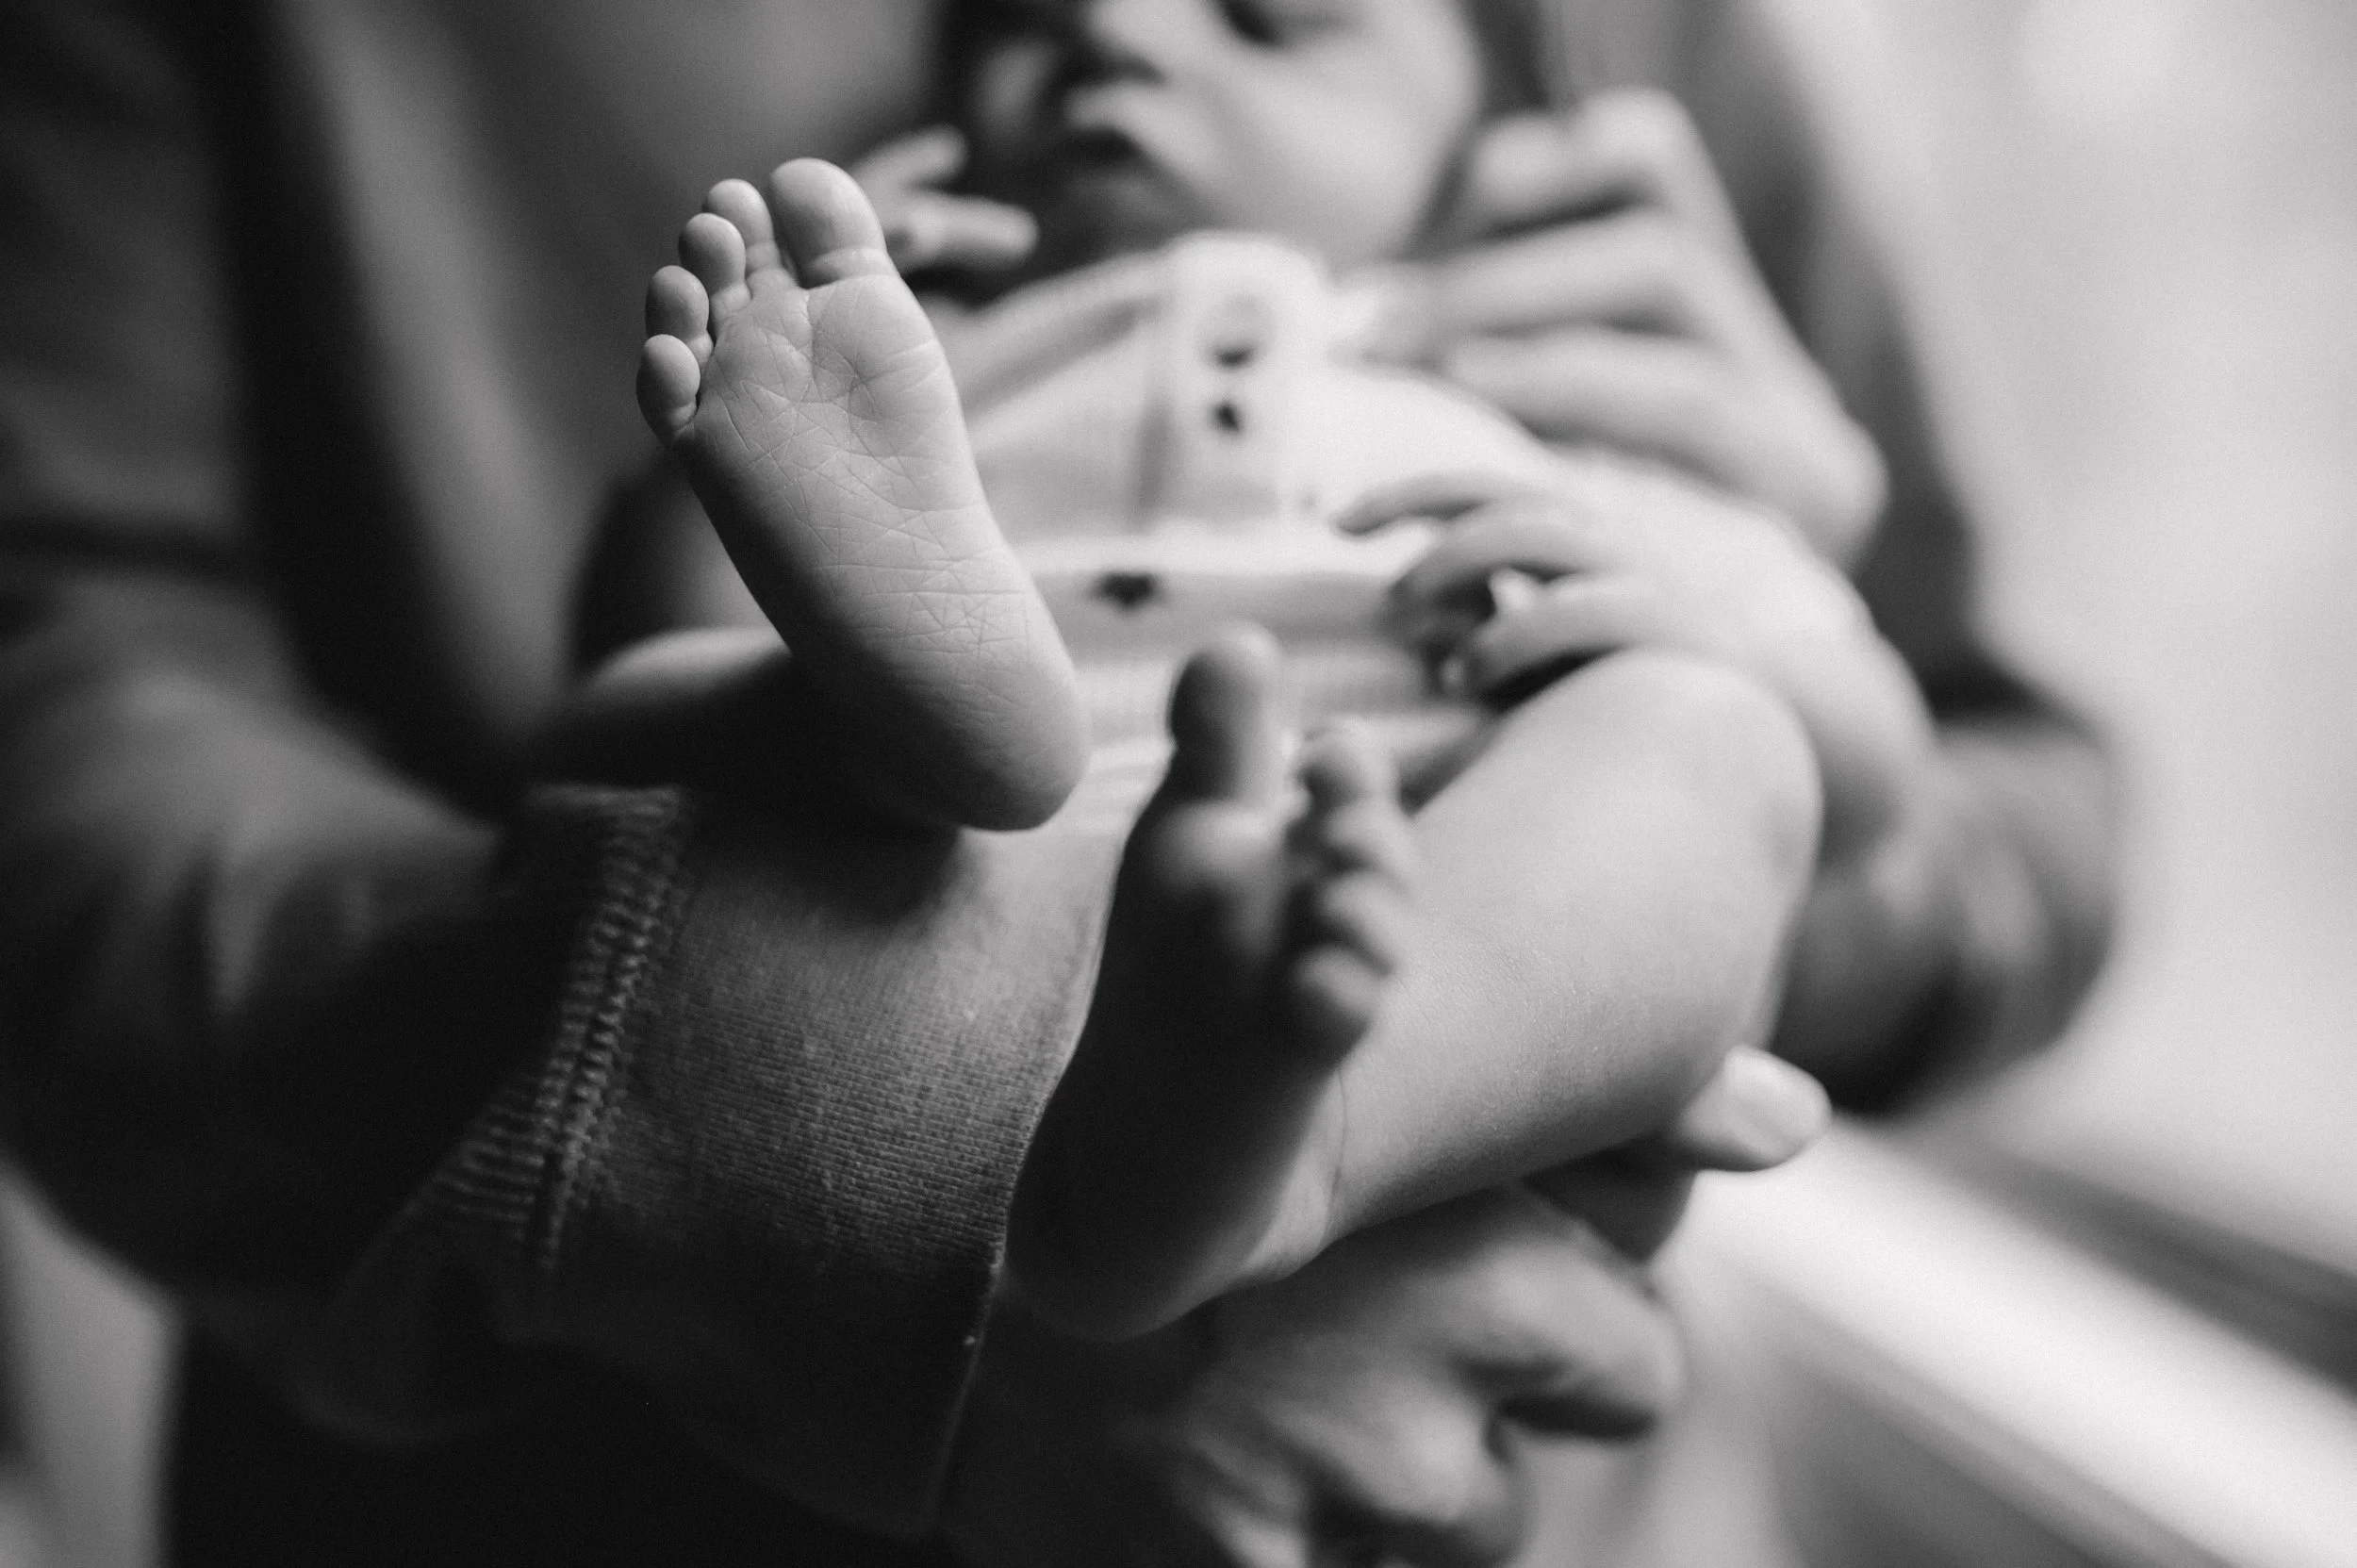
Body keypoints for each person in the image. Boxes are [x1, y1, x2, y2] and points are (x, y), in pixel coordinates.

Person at [0, 2, 2113, 1565]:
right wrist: (775, 447)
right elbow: (76, 696)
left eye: (1272, 18)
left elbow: (1951, 774)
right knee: (668, 720)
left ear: (1508, 153)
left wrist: (1722, 632)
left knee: (1709, 740)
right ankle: (926, 709)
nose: (1110, 33)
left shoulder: (1546, 412)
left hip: (1415, 982)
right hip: (685, 1314)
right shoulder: (967, 363)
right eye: (1022, 34)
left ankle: (1317, 1117)